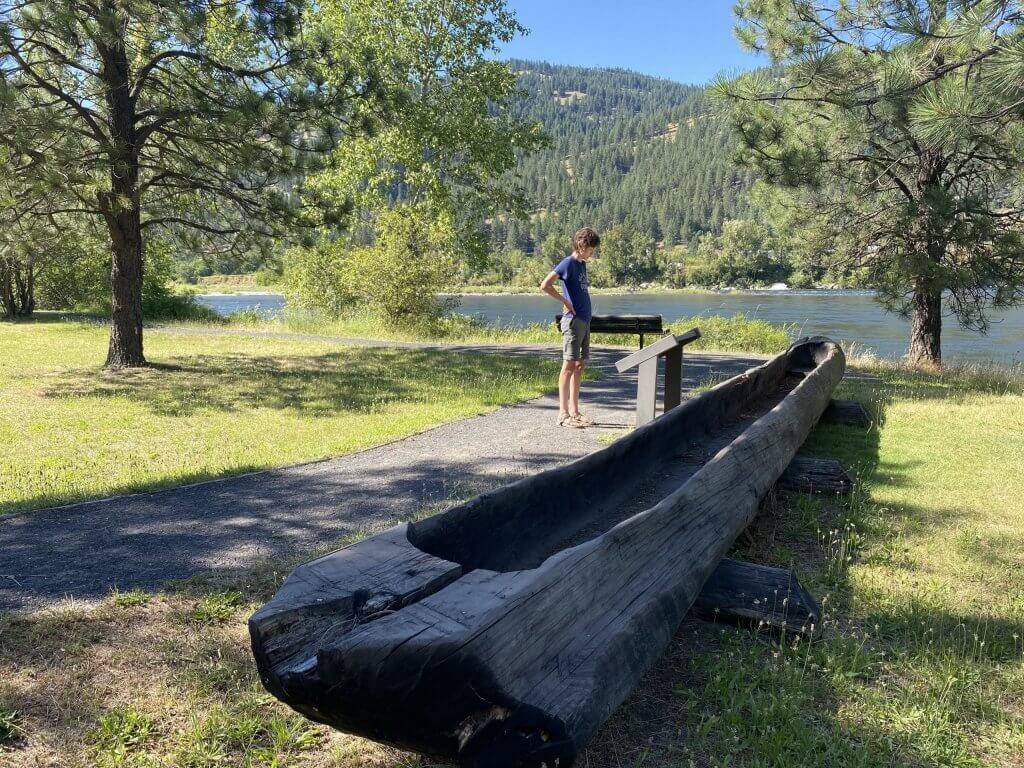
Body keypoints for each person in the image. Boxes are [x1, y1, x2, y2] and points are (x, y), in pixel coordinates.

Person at [540, 227, 600, 427]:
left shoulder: (582, 265)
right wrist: (565, 302)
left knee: (579, 365)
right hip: (573, 322)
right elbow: (545, 285)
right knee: (568, 366)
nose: (593, 253)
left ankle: (575, 411)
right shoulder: (568, 263)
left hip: (585, 320)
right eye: (591, 249)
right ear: (582, 245)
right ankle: (563, 414)